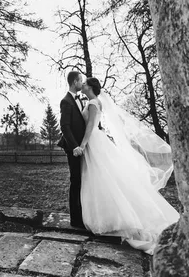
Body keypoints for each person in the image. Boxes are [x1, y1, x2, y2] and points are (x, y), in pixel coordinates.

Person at [73, 77, 180, 254]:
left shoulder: (93, 103)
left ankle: (115, 220)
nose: (82, 85)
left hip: (93, 141)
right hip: (96, 141)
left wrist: (83, 145)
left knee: (103, 177)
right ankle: (110, 217)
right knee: (102, 177)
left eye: (84, 84)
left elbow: (91, 125)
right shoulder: (94, 101)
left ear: (90, 87)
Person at [57, 71, 87, 228]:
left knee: (82, 180)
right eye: (80, 81)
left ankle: (83, 213)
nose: (82, 83)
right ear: (75, 82)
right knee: (75, 180)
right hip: (73, 148)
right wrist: (75, 146)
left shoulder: (81, 99)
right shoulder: (66, 101)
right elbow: (65, 126)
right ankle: (75, 219)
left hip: (82, 147)